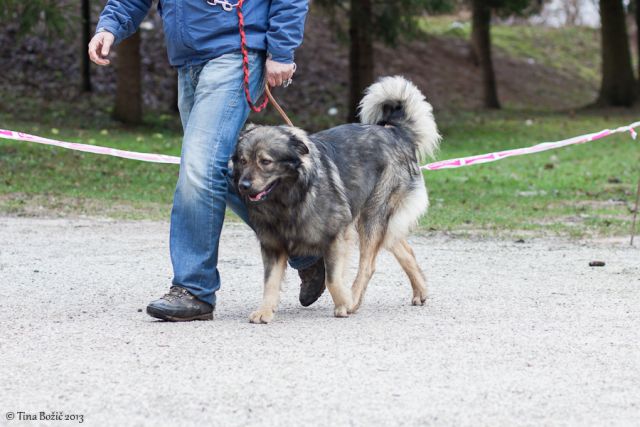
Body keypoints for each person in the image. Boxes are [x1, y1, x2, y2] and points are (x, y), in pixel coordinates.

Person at [88, 0, 325, 321]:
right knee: (223, 173)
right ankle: (301, 245)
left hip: (235, 52)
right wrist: (109, 26)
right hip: (188, 60)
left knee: (199, 170)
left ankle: (193, 289)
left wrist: (281, 50)